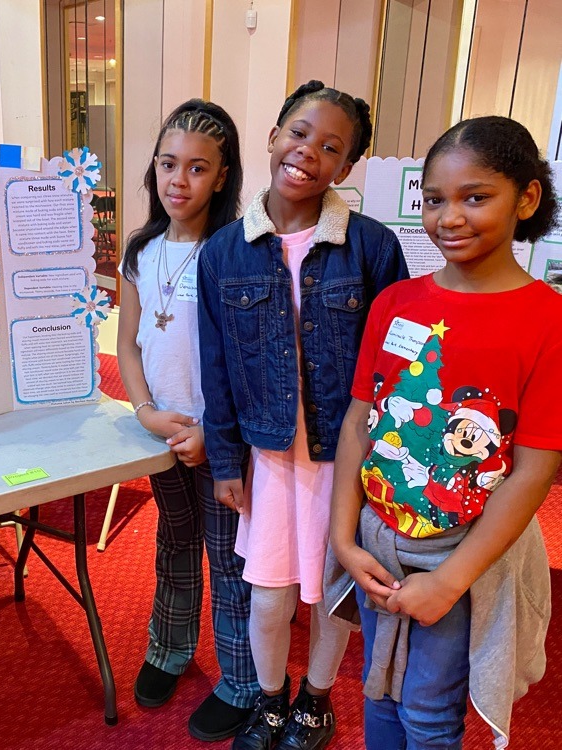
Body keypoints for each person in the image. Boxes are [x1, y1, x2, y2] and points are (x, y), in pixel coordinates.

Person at [328, 115, 562, 749]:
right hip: (378, 542)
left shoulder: (547, 319)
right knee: (377, 689)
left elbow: (536, 467)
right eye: (434, 199)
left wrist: (450, 580)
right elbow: (359, 422)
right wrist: (344, 539)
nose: (449, 217)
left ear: (527, 198)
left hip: (463, 553)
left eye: (475, 197)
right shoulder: (395, 303)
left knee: (429, 712)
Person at [197, 80, 408, 750]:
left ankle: (316, 701)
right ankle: (269, 699)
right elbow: (217, 368)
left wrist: (387, 460)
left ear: (345, 168)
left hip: (344, 457)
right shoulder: (224, 251)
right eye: (297, 132)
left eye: (330, 147)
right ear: (272, 135)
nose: (307, 152)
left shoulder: (371, 246)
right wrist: (226, 461)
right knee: (269, 592)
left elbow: (397, 363)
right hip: (266, 457)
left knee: (331, 590)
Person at [118, 98, 261, 741]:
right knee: (173, 545)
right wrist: (145, 410)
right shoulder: (142, 249)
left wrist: (212, 433)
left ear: (223, 176)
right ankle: (169, 650)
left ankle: (240, 681)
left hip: (218, 439)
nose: (180, 180)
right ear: (154, 168)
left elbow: (246, 357)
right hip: (161, 432)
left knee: (229, 559)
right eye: (169, 164)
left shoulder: (235, 251)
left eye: (198, 168)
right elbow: (128, 343)